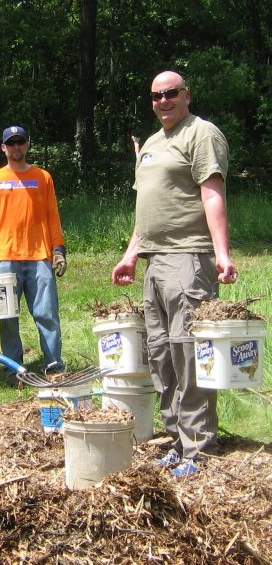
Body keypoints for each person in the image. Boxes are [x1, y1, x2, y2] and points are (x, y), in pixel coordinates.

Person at [112, 71, 237, 476]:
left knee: (188, 352)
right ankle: (176, 440)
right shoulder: (150, 144)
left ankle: (198, 448)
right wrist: (131, 254)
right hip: (154, 261)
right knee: (161, 354)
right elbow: (146, 210)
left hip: (189, 258)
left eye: (170, 93)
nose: (163, 101)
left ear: (186, 94)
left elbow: (212, 192)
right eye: (155, 95)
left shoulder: (201, 134)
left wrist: (221, 252)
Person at [0, 125, 67, 385]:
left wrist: (58, 250)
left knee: (47, 314)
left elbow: (52, 217)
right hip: (4, 259)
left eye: (20, 142)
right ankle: (14, 369)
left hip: (39, 257)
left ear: (27, 144)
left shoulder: (43, 177)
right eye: (11, 143)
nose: (16, 147)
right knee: (7, 318)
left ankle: (53, 366)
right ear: (3, 147)